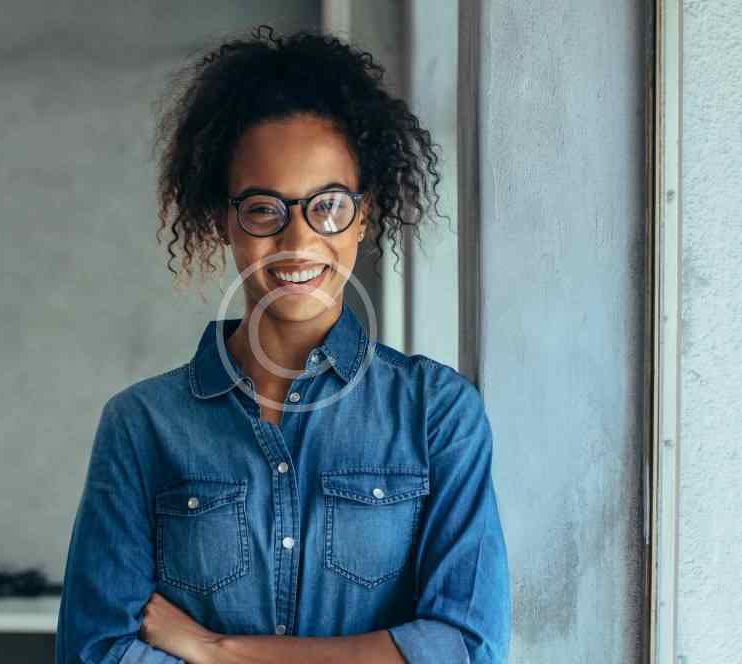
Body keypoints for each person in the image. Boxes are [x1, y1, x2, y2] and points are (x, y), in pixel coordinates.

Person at [55, 24, 510, 664]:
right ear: (223, 219)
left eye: (326, 206)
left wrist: (219, 650)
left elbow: (466, 647)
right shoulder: (141, 426)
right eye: (266, 209)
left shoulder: (436, 414)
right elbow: (98, 654)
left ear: (364, 214)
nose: (298, 241)